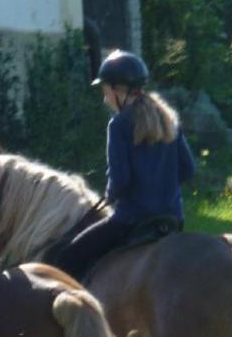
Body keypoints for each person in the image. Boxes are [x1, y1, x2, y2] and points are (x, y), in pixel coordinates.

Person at [54, 50, 196, 281]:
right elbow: (189, 170)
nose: (104, 98)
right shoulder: (169, 120)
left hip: (131, 220)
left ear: (117, 90)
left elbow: (121, 180)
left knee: (67, 257)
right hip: (172, 220)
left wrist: (109, 195)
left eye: (105, 91)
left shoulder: (119, 124)